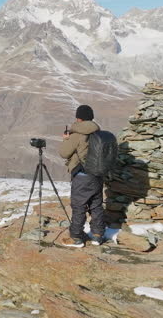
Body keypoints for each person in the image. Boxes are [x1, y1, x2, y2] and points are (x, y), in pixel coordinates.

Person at [57, 104, 105, 248]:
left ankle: (76, 237)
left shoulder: (77, 135)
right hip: (98, 175)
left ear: (78, 118)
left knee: (79, 206)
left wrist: (66, 139)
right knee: (96, 205)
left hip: (82, 176)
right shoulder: (99, 133)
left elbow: (64, 153)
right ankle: (97, 235)